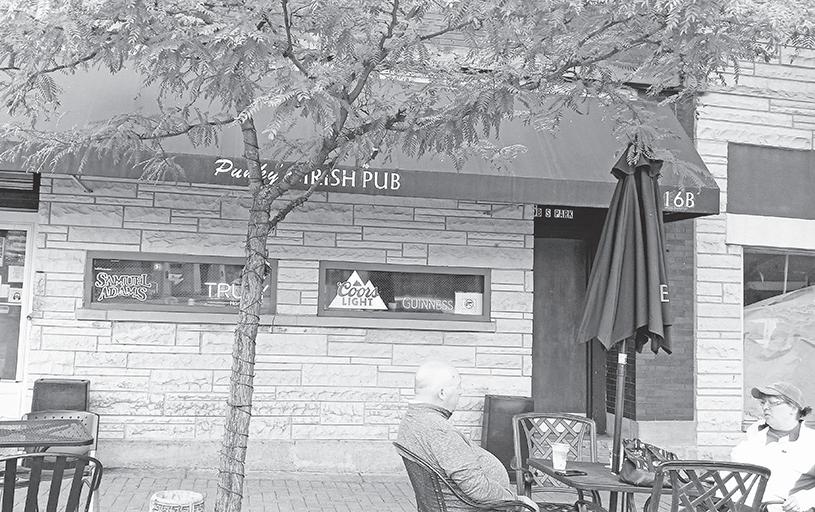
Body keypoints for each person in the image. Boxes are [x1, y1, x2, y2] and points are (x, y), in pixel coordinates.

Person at [397, 361, 539, 512]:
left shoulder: (411, 420)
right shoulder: (439, 431)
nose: (461, 392)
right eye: (458, 386)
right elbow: (477, 488)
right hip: (479, 507)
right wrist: (517, 503)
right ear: (442, 393)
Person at [731, 381, 815, 512]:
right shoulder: (753, 435)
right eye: (763, 403)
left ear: (793, 408)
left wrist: (805, 499)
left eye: (772, 403)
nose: (765, 407)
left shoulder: (810, 442)